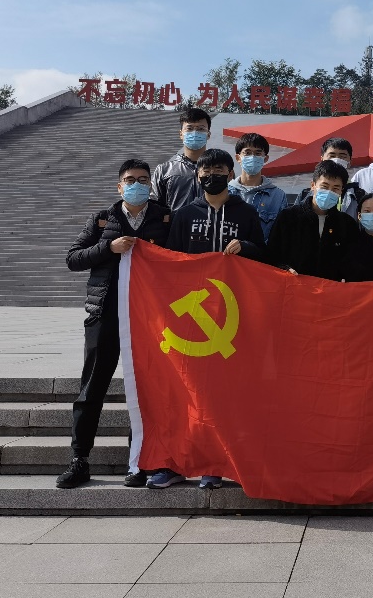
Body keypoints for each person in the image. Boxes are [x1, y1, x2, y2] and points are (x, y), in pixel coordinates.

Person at [154, 148, 265, 491]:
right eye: (206, 171)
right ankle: (174, 463)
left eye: (219, 170)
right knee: (185, 393)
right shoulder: (185, 214)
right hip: (191, 319)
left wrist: (246, 247)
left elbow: (264, 257)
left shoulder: (246, 214)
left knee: (223, 394)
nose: (212, 176)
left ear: (231, 174)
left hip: (232, 317)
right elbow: (171, 261)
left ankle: (215, 465)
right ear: (197, 176)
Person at [57, 159, 172, 490]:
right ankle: (79, 460)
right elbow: (73, 258)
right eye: (130, 180)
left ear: (151, 185)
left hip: (149, 318)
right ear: (119, 186)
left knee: (145, 391)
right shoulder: (102, 218)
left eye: (143, 180)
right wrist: (108, 247)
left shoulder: (165, 218)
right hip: (104, 314)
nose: (137, 185)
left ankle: (139, 461)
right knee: (92, 388)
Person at [266, 160, 361, 281]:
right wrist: (284, 268)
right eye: (324, 186)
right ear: (313, 185)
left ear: (341, 191)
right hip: (293, 287)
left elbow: (353, 261)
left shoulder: (347, 224)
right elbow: (272, 255)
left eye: (335, 188)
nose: (329, 192)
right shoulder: (288, 217)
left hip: (331, 290)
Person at [227, 132, 287, 239]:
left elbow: (282, 234)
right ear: (238, 157)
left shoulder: (277, 196)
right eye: (247, 153)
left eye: (258, 153)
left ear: (265, 158)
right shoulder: (226, 192)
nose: (252, 157)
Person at [150, 107, 212, 211]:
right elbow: (153, 206)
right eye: (189, 128)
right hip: (176, 222)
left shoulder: (220, 170)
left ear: (208, 135)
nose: (195, 133)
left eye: (201, 129)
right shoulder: (164, 170)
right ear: (181, 134)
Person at [296, 137, 358, 214]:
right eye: (332, 156)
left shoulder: (357, 195)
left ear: (350, 162)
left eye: (342, 156)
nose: (337, 160)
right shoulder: (305, 195)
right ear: (322, 159)